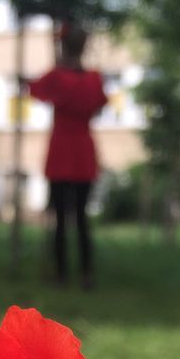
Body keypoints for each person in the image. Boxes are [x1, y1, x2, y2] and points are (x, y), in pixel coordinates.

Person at [21, 22, 108, 289]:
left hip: (61, 150)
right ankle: (86, 274)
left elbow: (34, 89)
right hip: (83, 150)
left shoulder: (57, 77)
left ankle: (60, 275)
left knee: (59, 218)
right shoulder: (93, 79)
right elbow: (99, 107)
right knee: (81, 219)